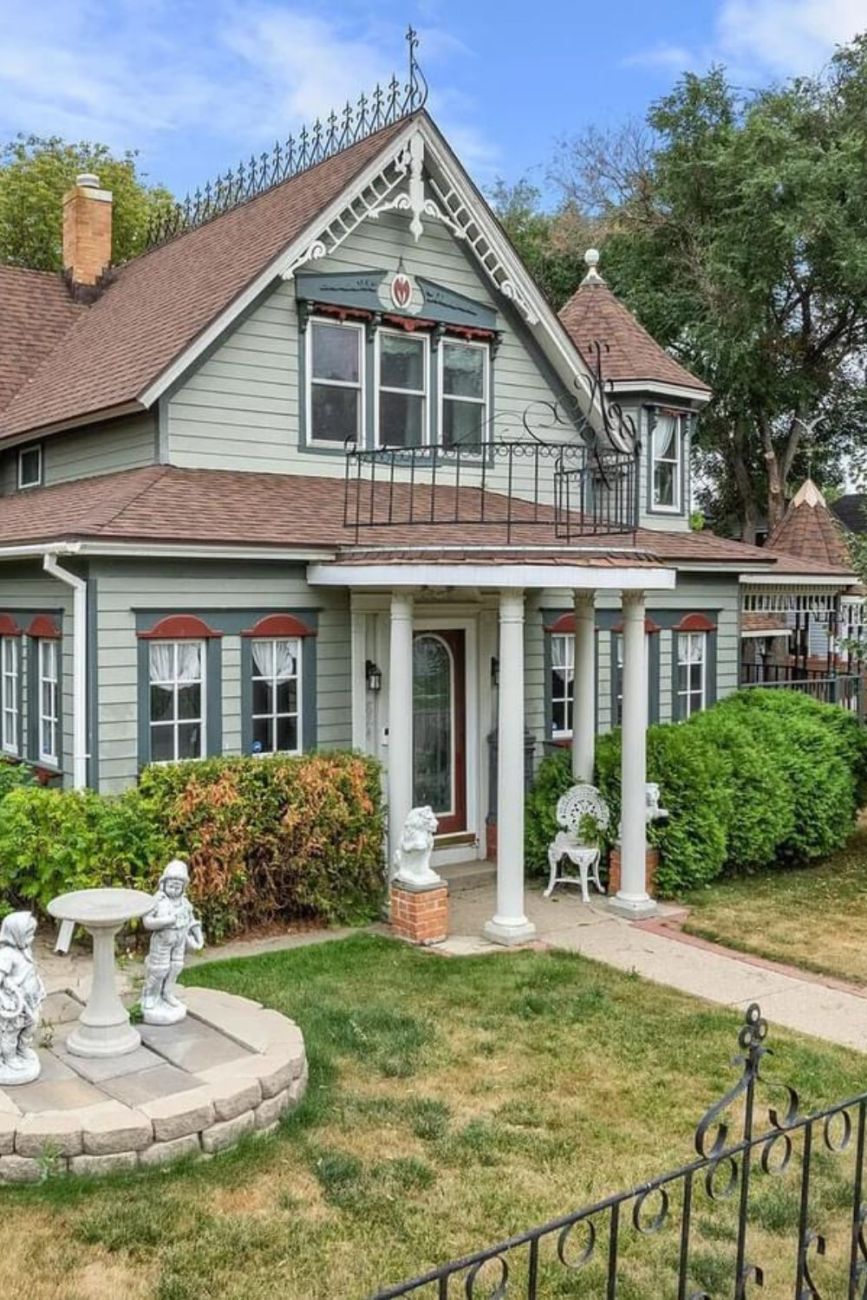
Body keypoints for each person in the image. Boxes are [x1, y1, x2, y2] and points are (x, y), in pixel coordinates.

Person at [141, 860, 204, 1024]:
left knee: (176, 966)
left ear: (183, 887)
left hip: (180, 939)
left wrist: (197, 937)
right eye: (171, 885)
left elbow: (191, 921)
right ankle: (150, 995)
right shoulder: (158, 901)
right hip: (162, 941)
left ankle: (168, 993)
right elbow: (147, 922)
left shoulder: (185, 903)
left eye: (178, 886)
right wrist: (165, 921)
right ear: (163, 883)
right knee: (159, 969)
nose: (174, 889)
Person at [0, 912, 45, 1082]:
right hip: (15, 1003)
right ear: (14, 934)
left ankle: (22, 1048)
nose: (32, 938)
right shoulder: (6, 955)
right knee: (11, 1032)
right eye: (28, 934)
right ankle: (9, 1057)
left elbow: (29, 970)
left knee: (32, 1024)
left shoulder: (24, 950)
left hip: (30, 999)